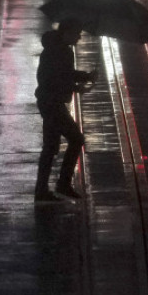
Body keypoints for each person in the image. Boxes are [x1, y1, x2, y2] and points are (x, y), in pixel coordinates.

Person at [34, 18, 95, 202]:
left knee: (51, 147)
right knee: (76, 139)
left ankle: (43, 190)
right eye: (77, 34)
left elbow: (63, 75)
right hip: (52, 103)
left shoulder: (56, 49)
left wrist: (85, 77)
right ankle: (61, 185)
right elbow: (59, 78)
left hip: (49, 102)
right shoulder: (61, 51)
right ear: (67, 32)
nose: (79, 38)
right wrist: (78, 85)